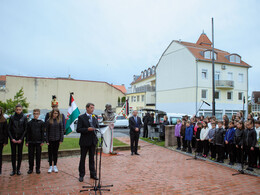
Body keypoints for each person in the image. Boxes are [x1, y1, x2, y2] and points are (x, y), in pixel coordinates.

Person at [77, 103, 99, 182]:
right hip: (84, 141)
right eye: (91, 108)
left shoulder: (95, 116)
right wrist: (87, 129)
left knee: (92, 159)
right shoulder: (81, 117)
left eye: (93, 108)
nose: (92, 109)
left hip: (93, 141)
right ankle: (81, 175)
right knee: (83, 158)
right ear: (87, 108)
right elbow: (78, 129)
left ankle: (93, 174)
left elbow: (97, 126)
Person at [8, 104, 27, 176]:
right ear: (15, 110)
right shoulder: (12, 117)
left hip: (20, 139)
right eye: (17, 109)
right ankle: (13, 170)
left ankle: (18, 169)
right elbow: (9, 129)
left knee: (19, 154)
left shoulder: (24, 117)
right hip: (13, 139)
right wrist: (12, 138)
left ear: (21, 110)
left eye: (20, 109)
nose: (18, 111)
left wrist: (21, 138)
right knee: (13, 154)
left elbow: (25, 129)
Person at [26, 109, 45, 174]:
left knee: (38, 156)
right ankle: (30, 168)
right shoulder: (29, 123)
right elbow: (27, 133)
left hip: (39, 142)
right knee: (30, 156)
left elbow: (43, 132)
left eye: (37, 113)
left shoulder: (41, 123)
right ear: (33, 114)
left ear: (39, 114)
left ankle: (37, 168)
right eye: (34, 113)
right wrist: (27, 141)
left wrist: (42, 141)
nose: (35, 115)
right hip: (31, 141)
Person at [46, 108, 64, 173]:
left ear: (58, 114)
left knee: (55, 153)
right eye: (54, 113)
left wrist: (61, 139)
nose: (55, 114)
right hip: (50, 140)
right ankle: (50, 166)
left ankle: (55, 166)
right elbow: (47, 131)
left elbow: (61, 130)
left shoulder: (59, 121)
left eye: (56, 113)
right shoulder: (49, 121)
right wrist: (47, 140)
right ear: (52, 113)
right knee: (50, 153)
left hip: (57, 139)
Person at [0, 107, 8, 175]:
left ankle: (0, 170)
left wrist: (5, 141)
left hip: (1, 140)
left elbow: (5, 131)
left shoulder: (4, 120)